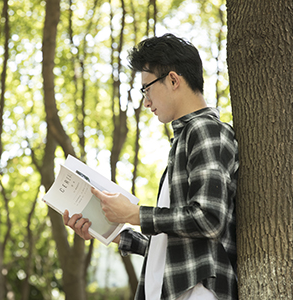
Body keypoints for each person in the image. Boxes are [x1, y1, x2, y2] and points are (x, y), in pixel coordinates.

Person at [64, 33, 239, 300]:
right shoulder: (184, 139)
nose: (146, 102)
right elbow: (174, 247)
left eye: (146, 89)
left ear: (172, 80)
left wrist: (135, 214)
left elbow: (209, 219)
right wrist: (113, 234)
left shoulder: (205, 130)